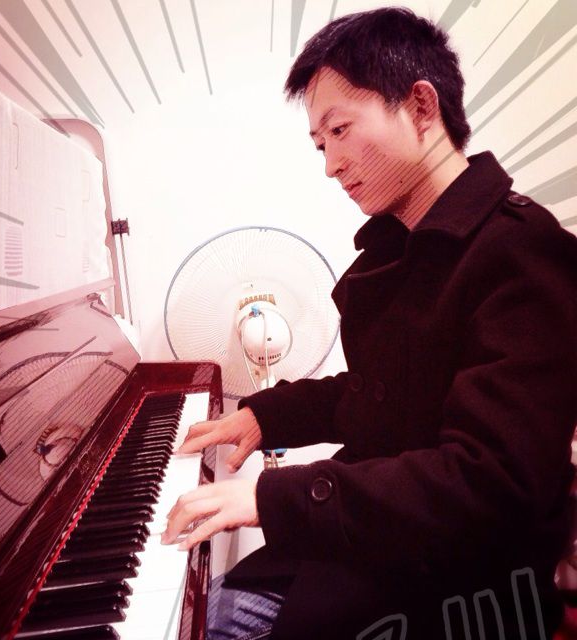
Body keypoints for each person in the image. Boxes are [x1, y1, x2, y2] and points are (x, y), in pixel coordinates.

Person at [161, 8, 577, 639]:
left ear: (420, 106)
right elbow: (382, 395)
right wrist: (265, 416)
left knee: (200, 622)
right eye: (321, 143)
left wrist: (272, 498)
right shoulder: (406, 246)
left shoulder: (523, 253)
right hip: (381, 547)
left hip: (459, 584)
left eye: (340, 130)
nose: (330, 165)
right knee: (200, 606)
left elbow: (489, 484)